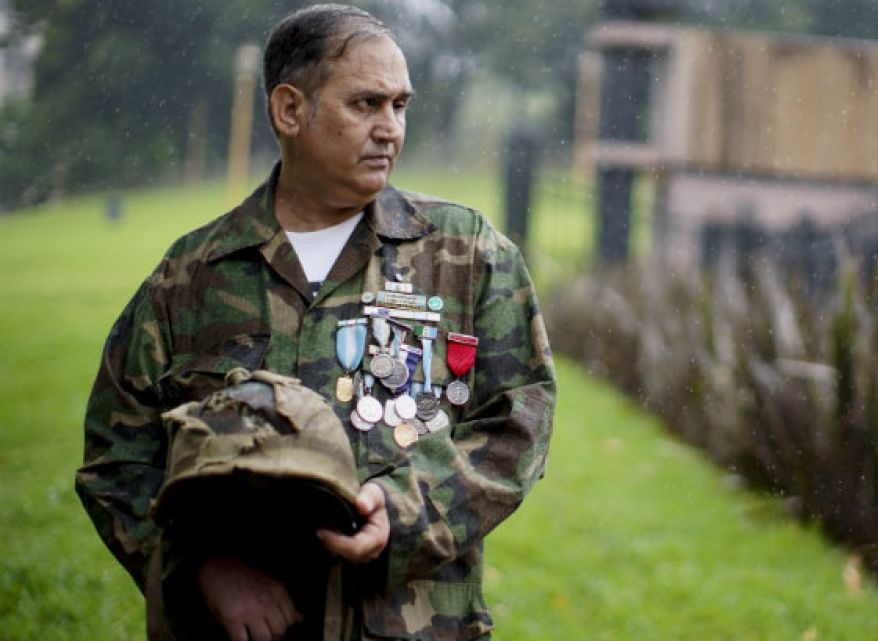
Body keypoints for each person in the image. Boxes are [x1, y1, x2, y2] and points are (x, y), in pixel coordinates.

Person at [75, 4, 556, 641]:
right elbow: (116, 460)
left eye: (400, 106)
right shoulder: (190, 277)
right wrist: (204, 570)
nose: (390, 129)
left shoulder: (466, 255)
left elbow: (521, 416)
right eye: (366, 104)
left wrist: (405, 512)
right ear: (289, 111)